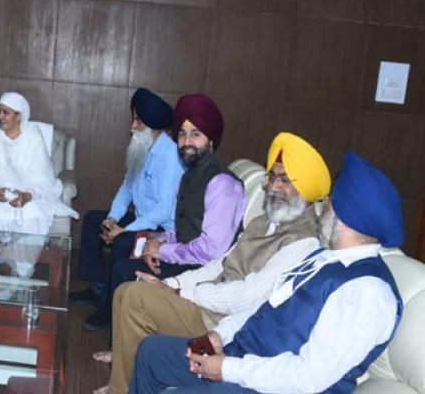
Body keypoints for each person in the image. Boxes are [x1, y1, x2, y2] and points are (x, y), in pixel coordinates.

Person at [129, 152, 403, 394]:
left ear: (347, 215)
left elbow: (308, 377)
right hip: (241, 357)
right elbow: (264, 305)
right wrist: (219, 336)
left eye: (331, 202)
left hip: (268, 385)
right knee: (152, 352)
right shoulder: (323, 259)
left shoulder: (367, 292)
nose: (324, 208)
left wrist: (227, 369)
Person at [97, 132, 331, 394]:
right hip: (209, 305)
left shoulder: (304, 242)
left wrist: (182, 292)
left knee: (134, 297)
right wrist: (170, 283)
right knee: (131, 290)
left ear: (307, 190)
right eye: (273, 177)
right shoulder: (263, 222)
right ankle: (124, 383)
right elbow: (220, 264)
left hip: (222, 323)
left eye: (285, 180)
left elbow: (247, 297)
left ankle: (121, 388)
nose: (275, 187)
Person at [71, 88, 184, 329]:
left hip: (163, 229)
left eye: (138, 121)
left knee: (123, 242)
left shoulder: (171, 156)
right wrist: (112, 220)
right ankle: (98, 288)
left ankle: (109, 310)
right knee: (94, 220)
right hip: (142, 219)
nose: (132, 127)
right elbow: (126, 190)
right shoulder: (141, 148)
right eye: (133, 120)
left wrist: (124, 231)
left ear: (153, 126)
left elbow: (163, 211)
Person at [0, 92, 78, 234]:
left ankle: (25, 249)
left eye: (5, 113)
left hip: (29, 196)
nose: (0, 117)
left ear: (19, 116)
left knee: (33, 213)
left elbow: (43, 180)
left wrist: (27, 195)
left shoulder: (33, 138)